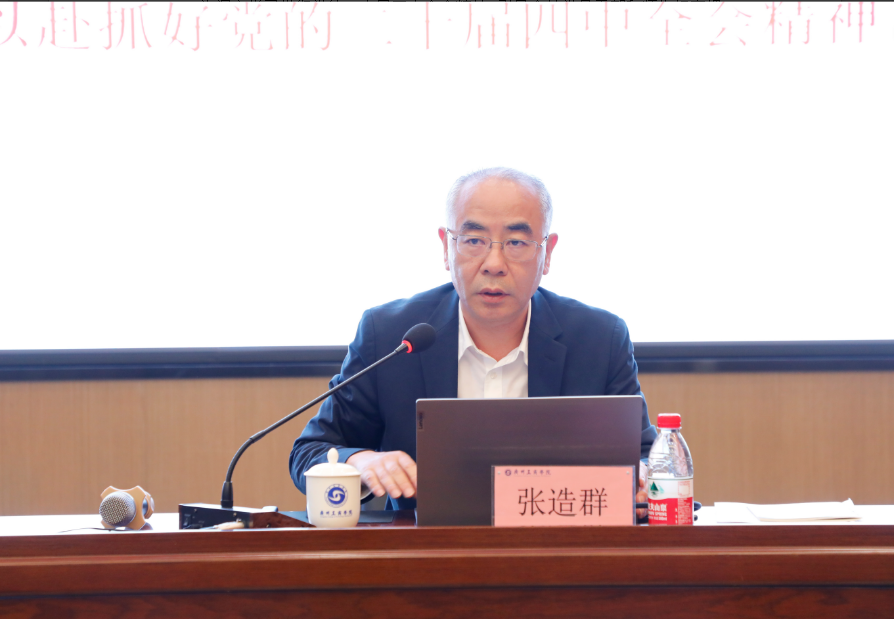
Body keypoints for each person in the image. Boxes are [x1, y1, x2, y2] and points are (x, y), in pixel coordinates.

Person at [289, 167, 657, 515]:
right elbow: (310, 452)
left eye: (516, 242)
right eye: (474, 240)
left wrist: (643, 477)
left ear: (547, 253)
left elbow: (644, 458)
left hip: (560, 549)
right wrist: (361, 462)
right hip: (425, 551)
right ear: (445, 247)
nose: (494, 263)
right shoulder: (389, 335)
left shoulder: (599, 339)